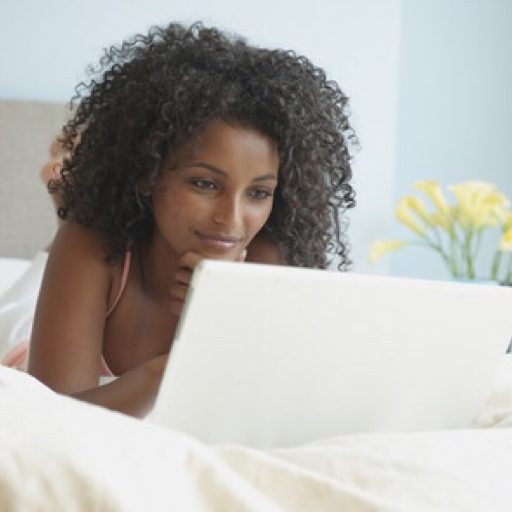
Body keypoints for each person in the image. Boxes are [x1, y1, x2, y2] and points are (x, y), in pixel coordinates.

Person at [6, 22, 357, 418]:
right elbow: (53, 418)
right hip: (22, 345)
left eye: (259, 193)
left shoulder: (267, 260)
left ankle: (68, 188)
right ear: (148, 174)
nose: (231, 220)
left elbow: (279, 409)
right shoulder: (92, 241)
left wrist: (218, 311)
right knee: (25, 300)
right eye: (205, 184)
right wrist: (172, 368)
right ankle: (66, 195)